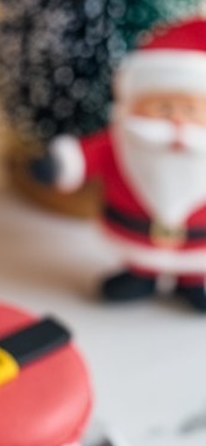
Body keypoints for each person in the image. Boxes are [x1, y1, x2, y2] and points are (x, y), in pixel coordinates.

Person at [34, 18, 206, 312]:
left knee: (195, 266)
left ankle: (192, 281)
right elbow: (84, 157)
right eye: (164, 108)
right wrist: (59, 165)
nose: (177, 120)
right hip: (134, 231)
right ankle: (142, 275)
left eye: (190, 110)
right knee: (139, 263)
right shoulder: (120, 142)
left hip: (197, 242)